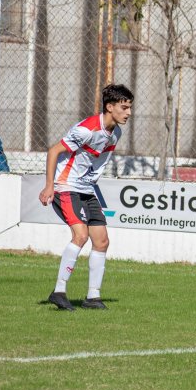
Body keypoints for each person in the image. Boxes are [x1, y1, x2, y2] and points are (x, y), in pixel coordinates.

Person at [38, 84, 134, 311]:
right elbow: (53, 151)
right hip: (66, 186)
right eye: (124, 107)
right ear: (110, 107)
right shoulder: (87, 130)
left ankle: (93, 297)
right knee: (80, 235)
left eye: (130, 107)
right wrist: (49, 186)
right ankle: (59, 291)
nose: (129, 112)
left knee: (101, 241)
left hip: (87, 189)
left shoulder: (115, 133)